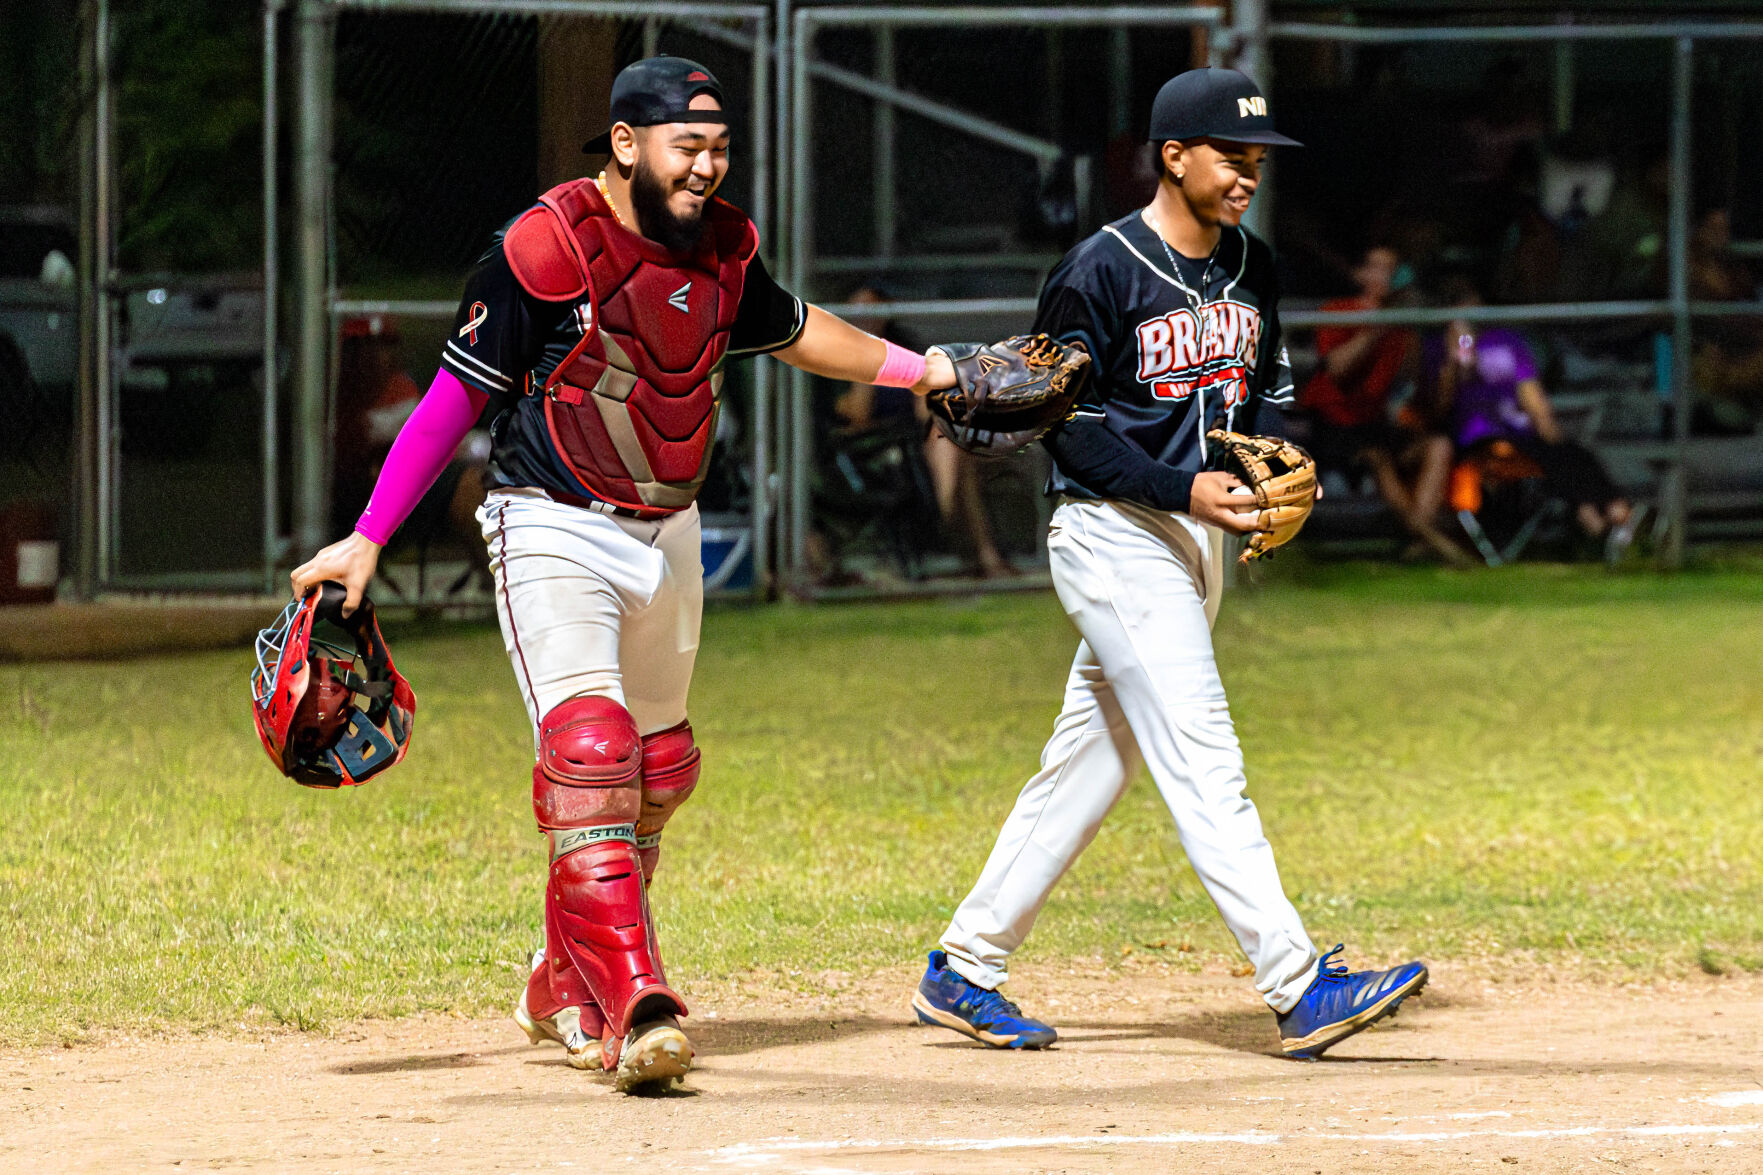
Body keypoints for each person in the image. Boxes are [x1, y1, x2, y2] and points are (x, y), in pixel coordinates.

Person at [291, 57, 956, 1092]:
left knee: (659, 769)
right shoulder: (546, 246)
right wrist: (369, 535)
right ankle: (632, 996)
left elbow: (794, 329)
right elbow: (451, 399)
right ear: (624, 143)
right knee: (591, 751)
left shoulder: (724, 249)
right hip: (549, 522)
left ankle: (561, 976)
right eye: (685, 145)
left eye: (719, 146)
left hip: (668, 530)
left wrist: (932, 370)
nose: (705, 165)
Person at [911, 69, 1428, 1060]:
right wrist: (1179, 486)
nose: (1246, 174)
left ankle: (962, 965)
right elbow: (1067, 429)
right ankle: (1296, 982)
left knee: (1088, 765)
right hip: (1109, 534)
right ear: (1172, 156)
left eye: (1256, 159)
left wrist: (1278, 465)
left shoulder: (1252, 266)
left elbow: (1266, 396)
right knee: (1201, 751)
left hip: (1193, 543)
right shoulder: (1096, 270)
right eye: (1230, 156)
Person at [1424, 275, 1635, 548]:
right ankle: (1598, 529)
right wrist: (1461, 340)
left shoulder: (1507, 341)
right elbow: (1463, 374)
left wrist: (1546, 424)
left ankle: (1616, 517)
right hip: (1479, 438)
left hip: (1518, 432)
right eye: (1457, 303)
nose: (1467, 307)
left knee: (1574, 454)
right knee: (1551, 461)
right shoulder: (1436, 346)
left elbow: (1530, 392)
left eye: (1470, 300)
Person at [1300, 246, 1468, 564]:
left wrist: (1455, 355)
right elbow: (1337, 369)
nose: (1386, 276)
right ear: (1360, 274)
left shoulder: (1404, 330)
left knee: (1438, 446)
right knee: (1379, 459)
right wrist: (1379, 323)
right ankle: (1432, 543)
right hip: (1335, 428)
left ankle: (1418, 544)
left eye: (1392, 269)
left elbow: (1423, 395)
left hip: (1377, 425)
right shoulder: (1337, 311)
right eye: (1378, 267)